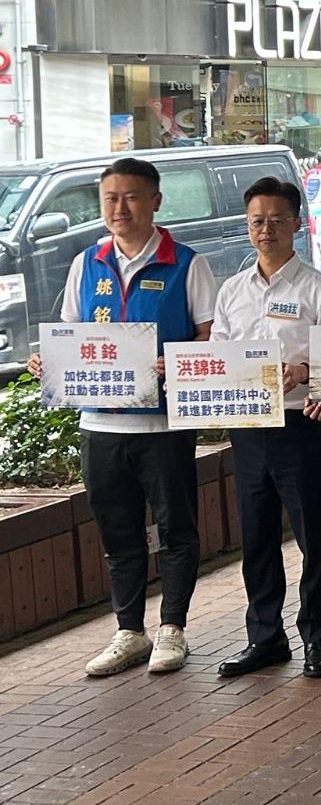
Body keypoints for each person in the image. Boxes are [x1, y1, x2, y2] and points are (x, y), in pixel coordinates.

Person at [26, 158, 218, 678]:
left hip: (163, 424)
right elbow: (70, 332)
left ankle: (173, 629)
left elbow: (212, 337)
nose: (119, 208)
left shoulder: (187, 263)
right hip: (100, 426)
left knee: (176, 526)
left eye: (131, 197)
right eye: (110, 198)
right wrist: (46, 361)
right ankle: (129, 631)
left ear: (155, 200)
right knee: (118, 530)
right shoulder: (86, 262)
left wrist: (176, 362)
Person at [212, 177, 321, 680]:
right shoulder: (232, 291)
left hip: (299, 426)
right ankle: (265, 637)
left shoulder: (320, 289)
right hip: (247, 428)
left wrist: (309, 374)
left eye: (277, 220)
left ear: (298, 224)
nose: (266, 230)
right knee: (257, 537)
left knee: (313, 538)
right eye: (257, 221)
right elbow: (220, 358)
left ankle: (318, 639)